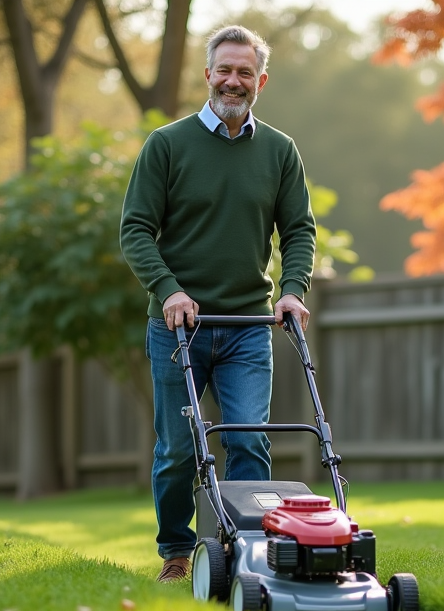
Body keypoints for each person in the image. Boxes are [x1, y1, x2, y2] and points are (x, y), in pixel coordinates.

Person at [120, 24, 316, 582]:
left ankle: (251, 553)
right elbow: (135, 229)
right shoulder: (167, 145)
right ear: (208, 74)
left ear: (261, 81)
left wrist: (293, 289)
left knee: (248, 438)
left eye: (245, 72)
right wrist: (169, 289)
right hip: (177, 327)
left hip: (248, 325)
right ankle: (176, 553)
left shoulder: (280, 150)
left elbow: (298, 230)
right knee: (179, 449)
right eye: (225, 70)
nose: (234, 81)